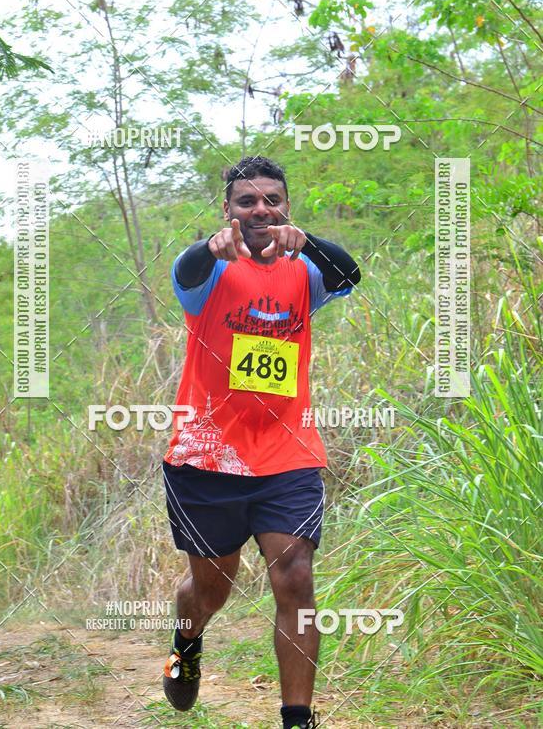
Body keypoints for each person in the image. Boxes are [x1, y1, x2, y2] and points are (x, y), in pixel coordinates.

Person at [162, 156, 361, 729]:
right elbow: (186, 268)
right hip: (208, 454)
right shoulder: (208, 273)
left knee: (295, 573)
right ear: (227, 211)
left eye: (271, 200)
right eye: (247, 202)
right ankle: (187, 638)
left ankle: (297, 720)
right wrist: (210, 246)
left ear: (286, 206)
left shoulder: (304, 273)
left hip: (287, 450)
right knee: (212, 587)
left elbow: (349, 275)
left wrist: (312, 243)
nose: (260, 210)